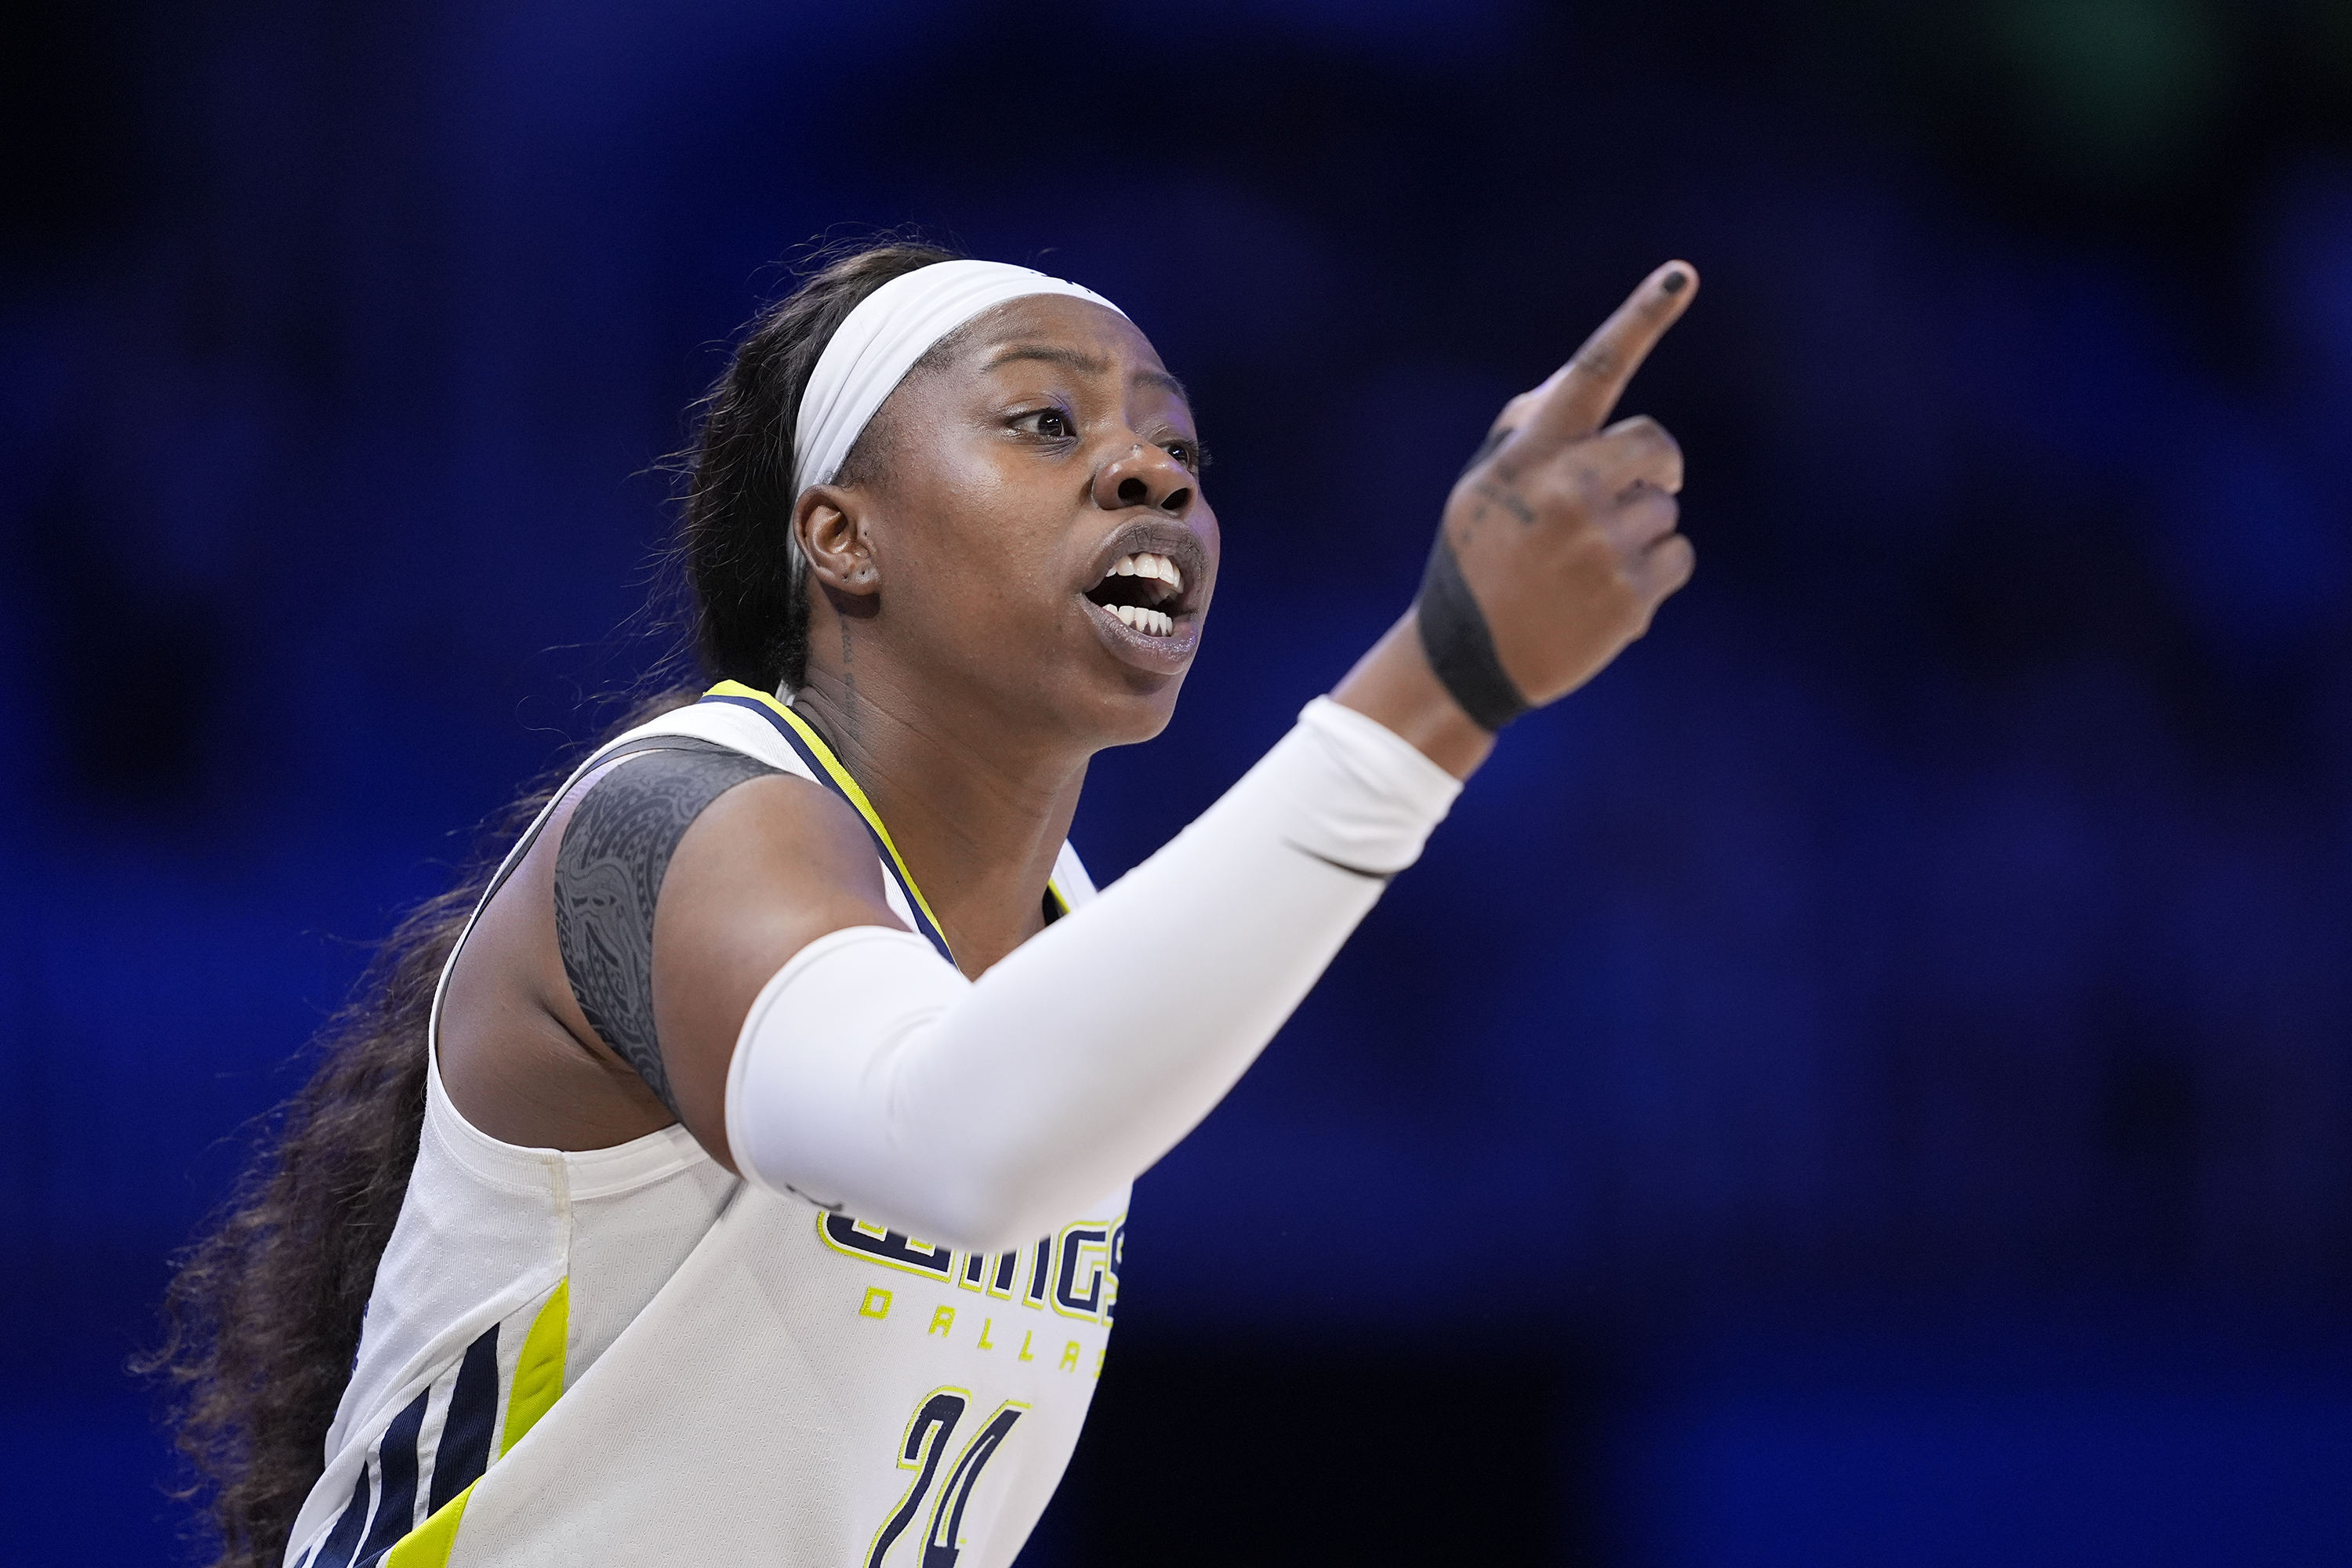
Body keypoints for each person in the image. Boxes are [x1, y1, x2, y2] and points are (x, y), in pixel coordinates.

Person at [151, 238, 1697, 1568]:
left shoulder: (1066, 951)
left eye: (1181, 450)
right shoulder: (679, 816)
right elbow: (940, 1141)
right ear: (842, 533)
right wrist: (1439, 685)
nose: (1152, 467)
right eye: (1045, 419)